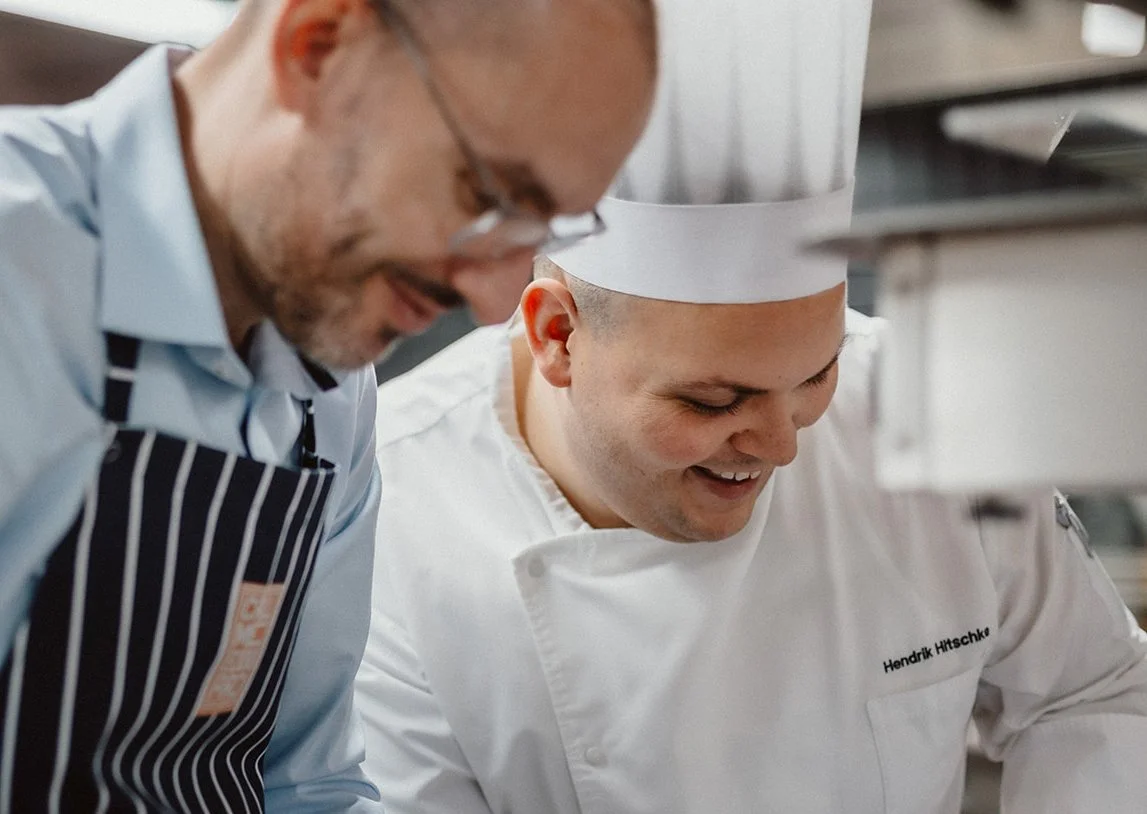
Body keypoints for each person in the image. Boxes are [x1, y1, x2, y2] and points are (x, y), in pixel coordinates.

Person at [353, 0, 1147, 811]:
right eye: (714, 398)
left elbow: (1093, 691)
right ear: (558, 335)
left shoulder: (923, 413)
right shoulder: (388, 510)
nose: (779, 445)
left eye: (814, 375)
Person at [0, 0, 655, 809]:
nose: (492, 302)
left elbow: (306, 782)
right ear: (318, 43)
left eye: (540, 230)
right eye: (485, 196)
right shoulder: (16, 267)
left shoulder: (332, 391)